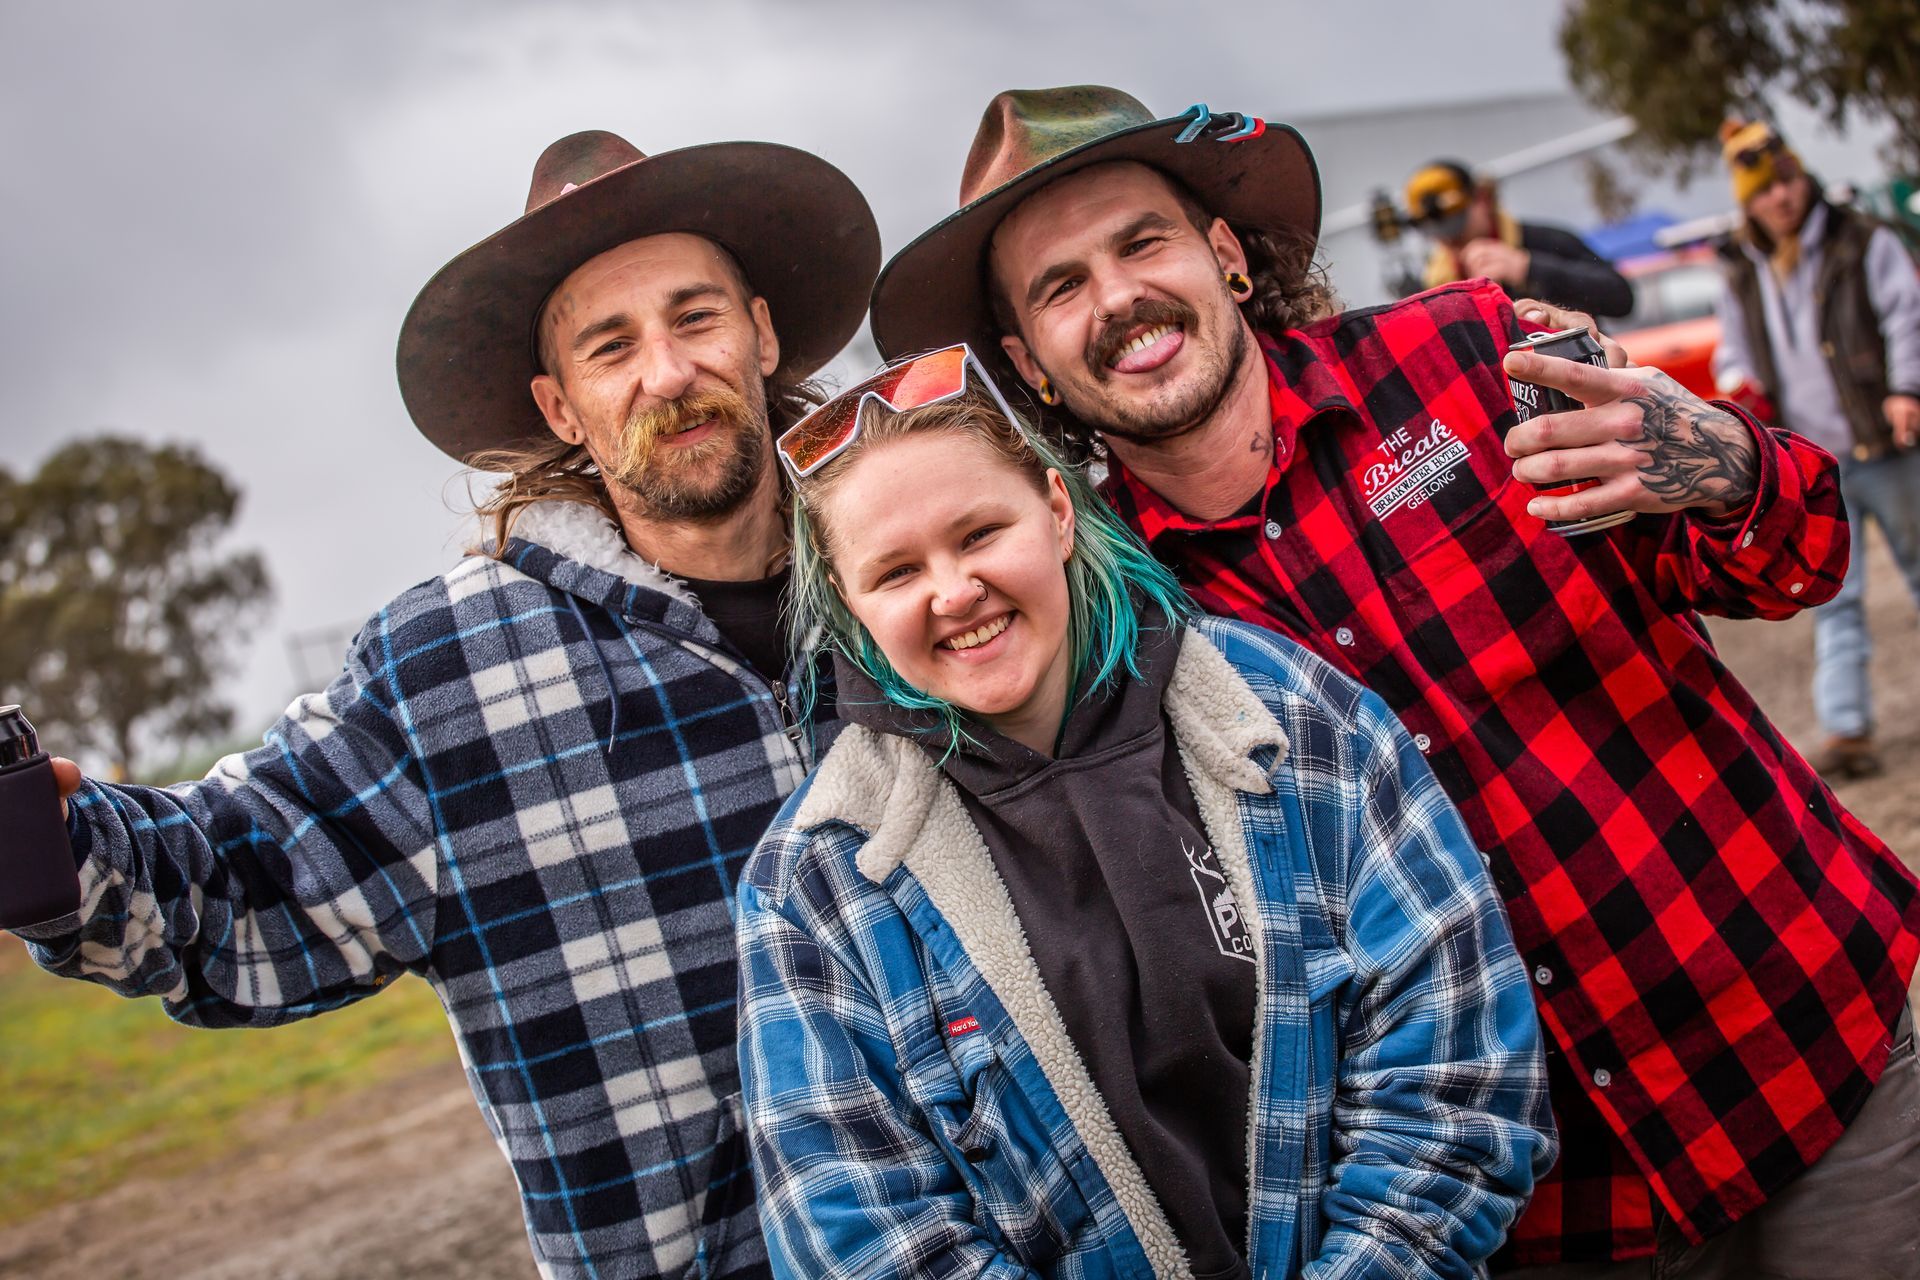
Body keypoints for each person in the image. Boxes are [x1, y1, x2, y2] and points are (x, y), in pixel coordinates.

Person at [868, 86, 1920, 1278]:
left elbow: (1801, 559)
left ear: (1225, 256)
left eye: (1141, 241)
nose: (1115, 298)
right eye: (1060, 287)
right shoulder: (1106, 617)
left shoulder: (1471, 356)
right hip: (1549, 1201)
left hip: (1810, 1047)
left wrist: (1725, 464)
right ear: (1029, 364)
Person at [7, 128, 880, 1280]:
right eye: (610, 346)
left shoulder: (914, 577)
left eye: (695, 318)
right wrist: (40, 844)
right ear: (560, 406)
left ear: (760, 334)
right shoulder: (453, 667)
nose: (667, 373)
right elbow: (239, 878)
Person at [734, 349, 1554, 1278]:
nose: (953, 591)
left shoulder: (1279, 712)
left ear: (1054, 510)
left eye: (978, 533)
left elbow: (1458, 1068)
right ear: (848, 600)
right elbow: (856, 1234)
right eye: (895, 571)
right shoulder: (818, 882)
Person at [1710, 117, 1920, 780]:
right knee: (1834, 595)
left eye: (1790, 180)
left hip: (1885, 443)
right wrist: (1738, 386)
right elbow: (1732, 347)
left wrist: (1907, 387)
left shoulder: (1862, 240)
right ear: (1748, 202)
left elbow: (1906, 312)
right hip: (1811, 464)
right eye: (1765, 189)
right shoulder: (1739, 269)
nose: (1782, 197)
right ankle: (1847, 728)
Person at [1401, 159, 1634, 319]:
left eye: (1456, 225)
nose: (1449, 240)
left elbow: (1621, 297)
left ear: (1482, 199)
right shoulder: (1434, 281)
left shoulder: (1544, 240)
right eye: (1436, 233)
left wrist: (1529, 267)